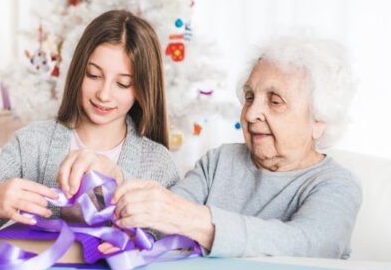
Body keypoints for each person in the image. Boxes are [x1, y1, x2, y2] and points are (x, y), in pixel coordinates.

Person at [79, 34, 362, 258]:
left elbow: (310, 245)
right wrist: (113, 185)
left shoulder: (337, 185)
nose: (250, 114)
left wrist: (197, 223)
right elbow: (160, 218)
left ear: (320, 120)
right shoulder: (219, 162)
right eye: (250, 97)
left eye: (275, 101)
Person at [0, 10, 180, 238]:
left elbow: (175, 238)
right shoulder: (33, 142)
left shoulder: (159, 163)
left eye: (122, 84)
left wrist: (117, 179)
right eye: (93, 75)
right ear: (79, 72)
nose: (104, 94)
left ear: (141, 90)